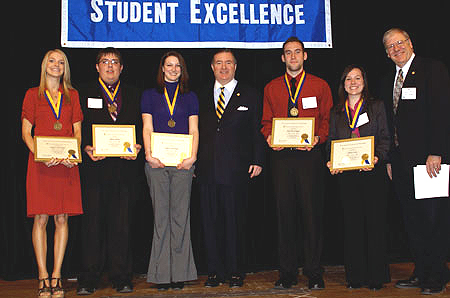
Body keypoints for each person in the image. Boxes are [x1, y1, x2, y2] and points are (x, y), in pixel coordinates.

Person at [379, 28, 450, 295]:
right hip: (400, 162)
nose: (396, 48)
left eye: (399, 43)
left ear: (410, 43)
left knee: (433, 218)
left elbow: (443, 112)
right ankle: (421, 271)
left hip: (428, 161)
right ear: (386, 53)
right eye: (390, 46)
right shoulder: (389, 80)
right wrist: (388, 160)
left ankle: (436, 275)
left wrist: (437, 151)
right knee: (412, 220)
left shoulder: (432, 69)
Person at [261, 37, 332, 290]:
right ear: (282, 58)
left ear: (305, 56)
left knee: (312, 215)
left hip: (309, 156)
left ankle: (314, 272)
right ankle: (287, 272)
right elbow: (266, 122)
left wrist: (318, 138)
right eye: (288, 53)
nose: (293, 57)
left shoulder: (320, 85)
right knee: (285, 215)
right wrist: (269, 137)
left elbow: (327, 120)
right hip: (281, 158)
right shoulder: (271, 87)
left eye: (297, 52)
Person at [196, 49, 265, 288]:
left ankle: (236, 271)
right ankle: (214, 271)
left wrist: (258, 159)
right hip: (206, 169)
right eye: (218, 63)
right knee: (210, 222)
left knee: (235, 222)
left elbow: (257, 130)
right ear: (212, 67)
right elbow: (193, 132)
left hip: (237, 170)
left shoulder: (251, 94)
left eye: (228, 63)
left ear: (235, 66)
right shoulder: (200, 94)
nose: (223, 67)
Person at [77, 47, 143, 295]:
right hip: (94, 169)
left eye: (115, 62)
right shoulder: (83, 92)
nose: (110, 66)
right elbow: (78, 126)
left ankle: (122, 276)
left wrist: (138, 145)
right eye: (105, 61)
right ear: (97, 66)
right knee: (91, 225)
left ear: (122, 68)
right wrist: (85, 146)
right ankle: (88, 278)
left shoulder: (134, 94)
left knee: (122, 225)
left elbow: (141, 126)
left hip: (124, 170)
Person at [21, 49, 83, 297]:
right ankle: (42, 276)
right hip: (41, 165)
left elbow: (77, 131)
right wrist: (40, 154)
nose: (56, 65)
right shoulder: (31, 95)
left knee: (62, 219)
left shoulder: (73, 96)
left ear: (65, 68)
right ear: (44, 65)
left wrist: (73, 154)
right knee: (41, 219)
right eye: (51, 61)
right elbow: (26, 132)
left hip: (66, 165)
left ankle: (56, 275)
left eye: (60, 62)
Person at [326, 65, 391, 290]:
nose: (353, 82)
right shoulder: (336, 111)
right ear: (343, 84)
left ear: (364, 80)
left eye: (357, 78)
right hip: (347, 177)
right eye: (348, 79)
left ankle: (375, 276)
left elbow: (385, 138)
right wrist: (331, 161)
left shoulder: (377, 106)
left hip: (372, 174)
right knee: (352, 226)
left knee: (374, 224)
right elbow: (332, 141)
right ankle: (355, 276)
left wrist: (376, 158)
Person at [141, 51, 198, 290]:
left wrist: (192, 157)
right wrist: (148, 155)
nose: (174, 69)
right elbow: (147, 127)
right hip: (157, 164)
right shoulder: (149, 95)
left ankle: (180, 274)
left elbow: (194, 130)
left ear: (182, 70)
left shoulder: (191, 97)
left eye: (178, 66)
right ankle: (161, 275)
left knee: (180, 218)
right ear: (162, 68)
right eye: (169, 65)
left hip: (183, 164)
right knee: (161, 219)